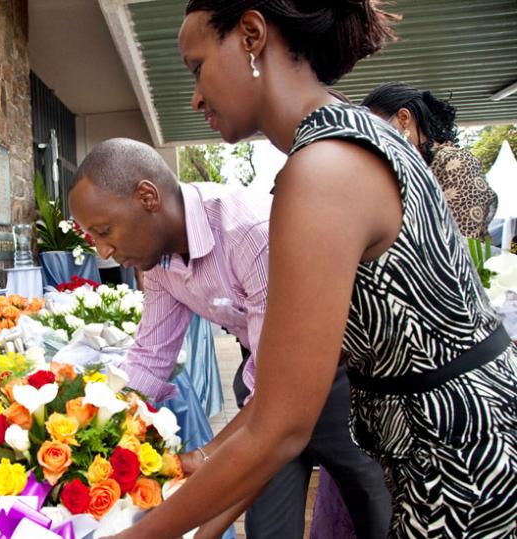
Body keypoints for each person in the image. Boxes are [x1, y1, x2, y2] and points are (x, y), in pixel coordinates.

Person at [101, 1, 517, 537]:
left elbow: (280, 428)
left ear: (252, 35)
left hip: (464, 463)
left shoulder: (322, 168)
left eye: (196, 66)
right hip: (453, 443)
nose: (196, 95)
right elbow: (275, 401)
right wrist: (205, 465)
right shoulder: (343, 136)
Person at [69, 138, 390, 538]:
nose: (103, 250)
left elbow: (280, 395)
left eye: (104, 230)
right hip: (268, 391)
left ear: (147, 197)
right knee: (268, 528)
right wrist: (93, 423)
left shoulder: (248, 232)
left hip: (342, 383)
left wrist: (209, 459)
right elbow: (150, 357)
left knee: (374, 509)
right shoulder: (156, 261)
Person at [361, 82, 498, 239]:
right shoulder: (411, 170)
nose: (376, 142)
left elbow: (459, 241)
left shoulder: (455, 160)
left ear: (404, 118)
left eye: (377, 131)